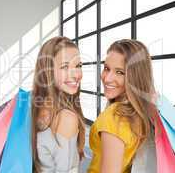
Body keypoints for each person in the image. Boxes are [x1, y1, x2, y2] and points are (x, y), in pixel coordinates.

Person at [88, 39, 158, 173]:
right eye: (106, 68)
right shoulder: (142, 112)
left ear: (135, 77)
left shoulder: (114, 117)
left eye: (119, 72)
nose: (107, 78)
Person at [31, 36, 86, 173]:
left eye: (78, 65)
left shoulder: (34, 106)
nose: (76, 74)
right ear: (47, 71)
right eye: (65, 67)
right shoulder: (66, 118)